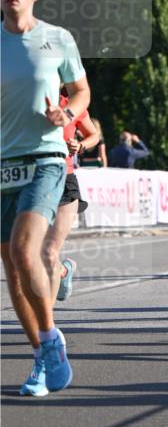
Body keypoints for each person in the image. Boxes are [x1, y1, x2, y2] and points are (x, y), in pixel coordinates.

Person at [1, 0, 89, 396]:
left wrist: (67, 115)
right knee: (14, 273)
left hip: (46, 159)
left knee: (25, 249)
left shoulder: (57, 38)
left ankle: (51, 338)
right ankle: (42, 355)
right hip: (2, 164)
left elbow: (81, 90)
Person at [41, 88, 100, 309]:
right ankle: (63, 271)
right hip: (33, 182)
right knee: (33, 252)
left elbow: (94, 135)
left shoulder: (73, 104)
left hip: (64, 180)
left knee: (49, 252)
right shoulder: (25, 100)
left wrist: (81, 145)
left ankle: (45, 324)